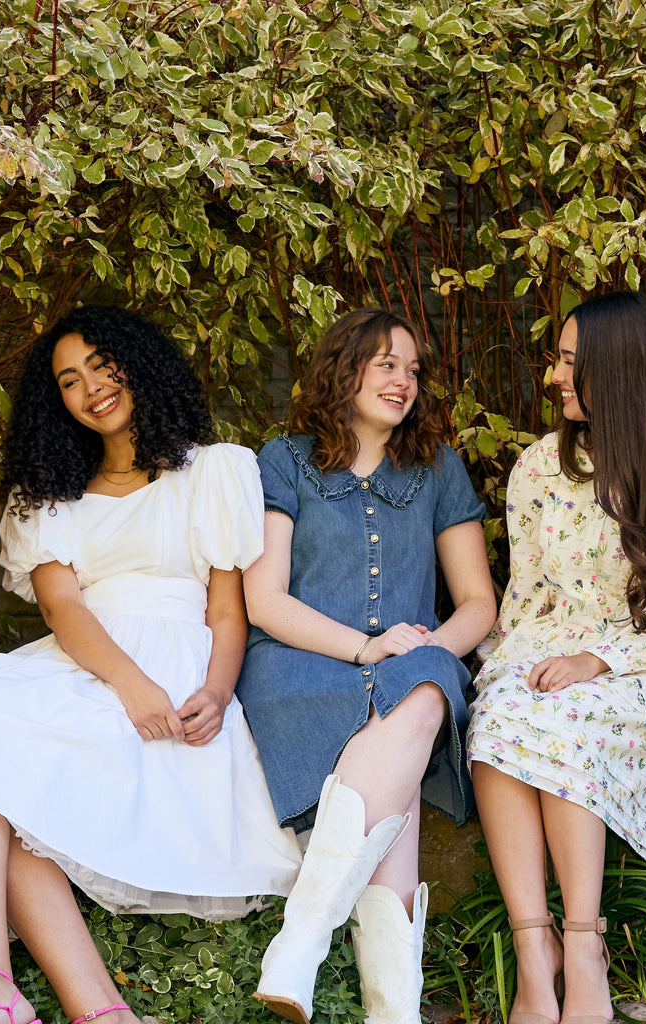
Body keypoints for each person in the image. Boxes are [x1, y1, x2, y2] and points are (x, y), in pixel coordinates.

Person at [0, 305, 302, 1024]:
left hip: (180, 669)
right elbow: (63, 610)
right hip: (89, 662)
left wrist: (215, 687)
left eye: (102, 366)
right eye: (69, 381)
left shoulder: (215, 470)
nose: (91, 388)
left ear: (138, 364)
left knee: (6, 786)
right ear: (60, 404)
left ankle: (92, 1012)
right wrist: (129, 683)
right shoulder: (52, 496)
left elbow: (226, 610)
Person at [467, 290, 646, 1024]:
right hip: (548, 652)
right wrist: (491, 672)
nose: (553, 376)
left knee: (568, 719)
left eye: (568, 362)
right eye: (557, 358)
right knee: (495, 727)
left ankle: (584, 947)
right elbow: (525, 596)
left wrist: (598, 660)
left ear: (617, 372)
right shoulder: (538, 469)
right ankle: (534, 950)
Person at [236, 307, 497, 1024]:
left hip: (409, 669)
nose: (403, 381)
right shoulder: (283, 461)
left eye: (412, 369)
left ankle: (304, 939)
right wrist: (365, 647)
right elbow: (263, 600)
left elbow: (478, 603)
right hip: (298, 667)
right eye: (386, 363)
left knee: (428, 687)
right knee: (402, 766)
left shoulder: (438, 467)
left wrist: (428, 647)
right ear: (342, 369)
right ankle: (394, 1012)